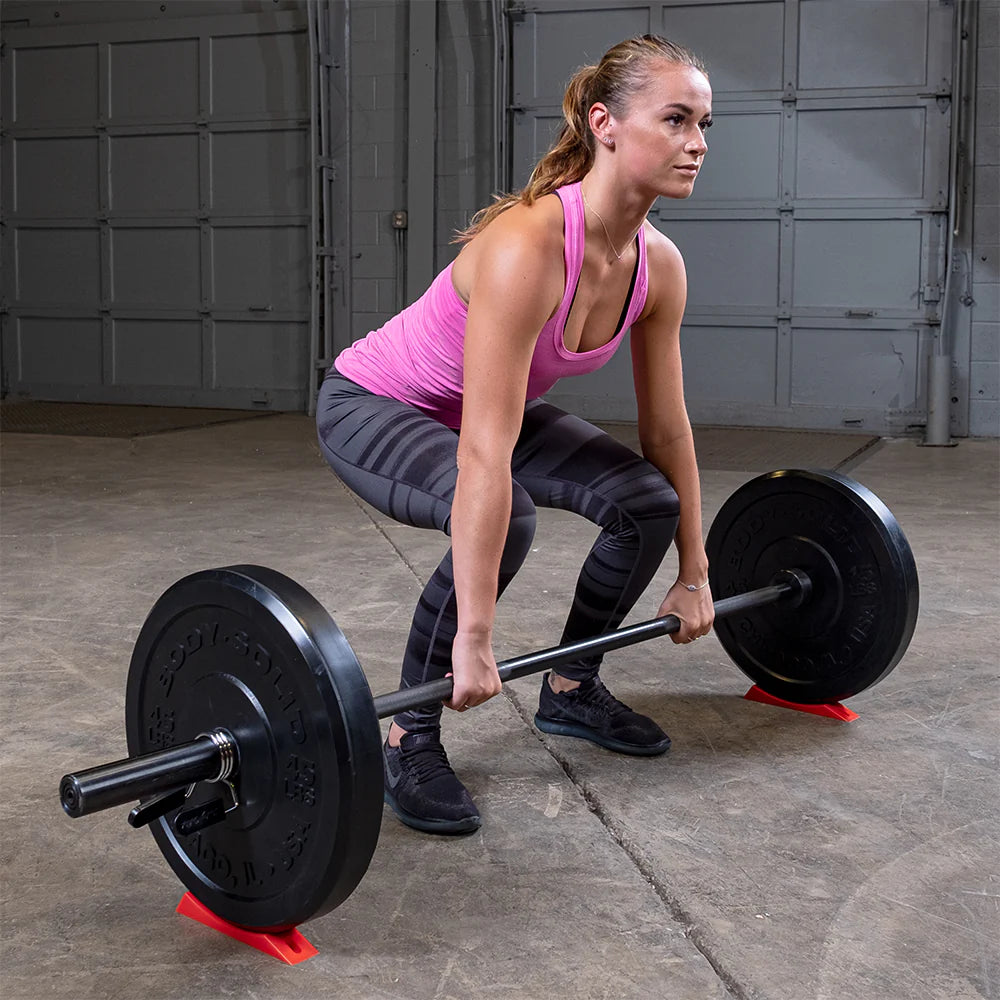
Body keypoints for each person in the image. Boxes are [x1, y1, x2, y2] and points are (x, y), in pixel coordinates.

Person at [317, 34, 715, 835]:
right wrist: (475, 635)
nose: (697, 144)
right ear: (604, 123)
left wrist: (697, 570)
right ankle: (410, 733)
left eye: (705, 124)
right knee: (512, 517)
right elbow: (483, 457)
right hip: (374, 403)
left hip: (477, 414)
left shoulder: (657, 265)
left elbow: (666, 431)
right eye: (675, 120)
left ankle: (571, 687)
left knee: (646, 501)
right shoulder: (528, 246)